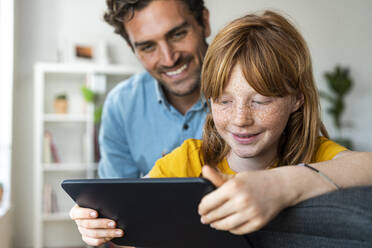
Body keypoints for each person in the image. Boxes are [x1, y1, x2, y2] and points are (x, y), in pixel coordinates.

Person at [70, 10, 372, 247]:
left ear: (297, 99)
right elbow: (131, 223)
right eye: (224, 101)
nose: (241, 118)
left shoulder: (317, 154)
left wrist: (280, 186)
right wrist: (98, 224)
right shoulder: (188, 160)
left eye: (261, 100)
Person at [98, 0, 210, 178]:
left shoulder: (256, 84)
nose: (168, 59)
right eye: (148, 47)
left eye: (178, 34)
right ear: (133, 50)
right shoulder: (120, 106)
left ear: (204, 22)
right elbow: (118, 200)